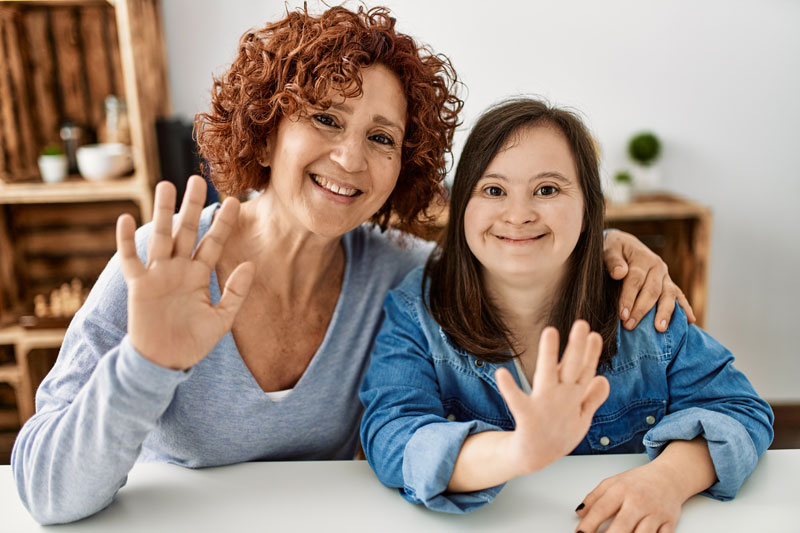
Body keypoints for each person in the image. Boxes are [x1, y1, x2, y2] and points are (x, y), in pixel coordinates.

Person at [13, 7, 689, 526]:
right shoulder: (169, 269)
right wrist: (145, 363)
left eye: (381, 138)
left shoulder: (402, 274)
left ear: (403, 167)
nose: (351, 159)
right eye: (326, 119)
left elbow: (510, 252)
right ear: (269, 126)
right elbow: (45, 493)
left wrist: (607, 243)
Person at [359, 98, 773, 531]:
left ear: (588, 208)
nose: (518, 215)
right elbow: (392, 437)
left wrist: (668, 479)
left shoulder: (638, 300)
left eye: (548, 190)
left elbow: (741, 409)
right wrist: (520, 450)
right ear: (463, 204)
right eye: (494, 190)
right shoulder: (416, 308)